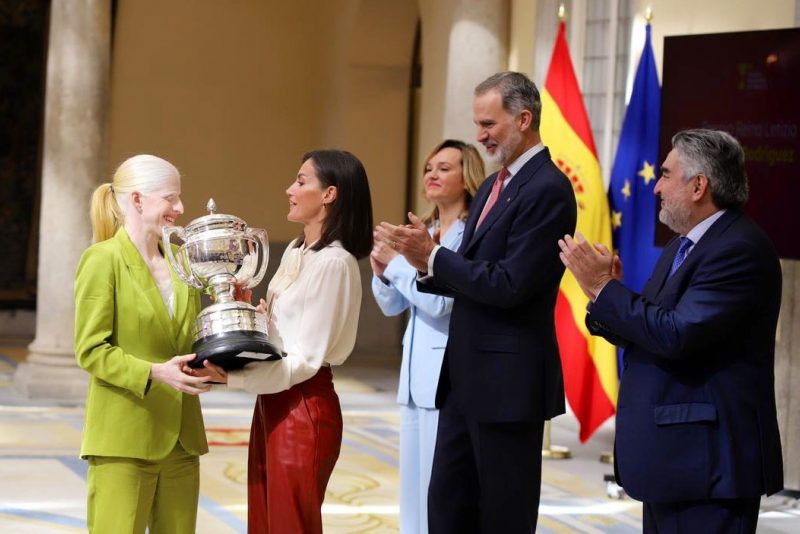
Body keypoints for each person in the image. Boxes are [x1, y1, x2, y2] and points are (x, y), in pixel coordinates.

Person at [375, 72, 577, 533]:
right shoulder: (491, 187)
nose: (480, 135)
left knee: (502, 518)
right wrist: (417, 265)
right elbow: (464, 276)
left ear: (524, 119)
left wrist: (432, 257)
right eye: (477, 123)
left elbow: (510, 284)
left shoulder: (548, 188)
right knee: (447, 510)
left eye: (489, 124)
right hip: (463, 381)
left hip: (508, 385)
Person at [558, 129, 784, 534]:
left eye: (665, 174)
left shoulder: (738, 249)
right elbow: (650, 329)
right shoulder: (686, 245)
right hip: (674, 461)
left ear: (699, 186)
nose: (656, 185)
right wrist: (604, 294)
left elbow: (677, 335)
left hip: (706, 465)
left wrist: (604, 289)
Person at [192, 149, 373, 534]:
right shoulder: (297, 250)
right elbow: (285, 335)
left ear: (329, 194)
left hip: (304, 405)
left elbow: (305, 360)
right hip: (273, 401)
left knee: (291, 526)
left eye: (302, 180)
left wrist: (232, 379)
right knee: (265, 523)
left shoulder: (334, 264)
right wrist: (246, 315)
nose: (290, 189)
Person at [74, 155, 212, 534]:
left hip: (183, 441)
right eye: (170, 198)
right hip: (124, 439)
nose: (180, 208)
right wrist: (155, 372)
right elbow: (91, 350)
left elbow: (188, 340)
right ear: (137, 200)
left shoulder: (183, 262)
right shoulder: (102, 260)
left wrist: (221, 353)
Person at [371, 140, 485, 534]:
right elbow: (390, 306)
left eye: (444, 168)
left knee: (441, 492)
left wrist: (399, 267)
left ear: (467, 176)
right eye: (428, 168)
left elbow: (440, 304)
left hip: (447, 378)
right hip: (414, 376)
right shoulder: (423, 229)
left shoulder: (472, 235)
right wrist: (383, 270)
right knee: (412, 490)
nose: (432, 175)